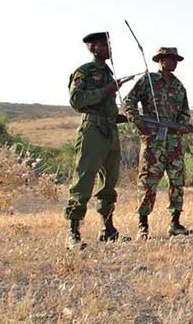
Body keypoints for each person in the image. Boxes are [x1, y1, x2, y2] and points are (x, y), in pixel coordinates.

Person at [63, 32, 135, 249]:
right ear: (93, 48)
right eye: (104, 45)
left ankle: (108, 229)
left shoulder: (108, 73)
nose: (108, 48)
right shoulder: (84, 72)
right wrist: (107, 90)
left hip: (110, 130)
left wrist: (124, 117)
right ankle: (73, 234)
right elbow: (76, 101)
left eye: (109, 44)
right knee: (83, 180)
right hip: (92, 130)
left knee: (109, 182)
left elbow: (107, 107)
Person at [122, 47, 193, 238]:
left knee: (177, 182)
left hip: (174, 143)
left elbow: (185, 112)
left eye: (176, 59)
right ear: (161, 61)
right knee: (148, 183)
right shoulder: (148, 81)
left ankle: (175, 223)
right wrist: (138, 123)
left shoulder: (179, 86)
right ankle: (143, 226)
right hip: (153, 142)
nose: (174, 63)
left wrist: (183, 125)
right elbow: (128, 101)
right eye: (170, 59)